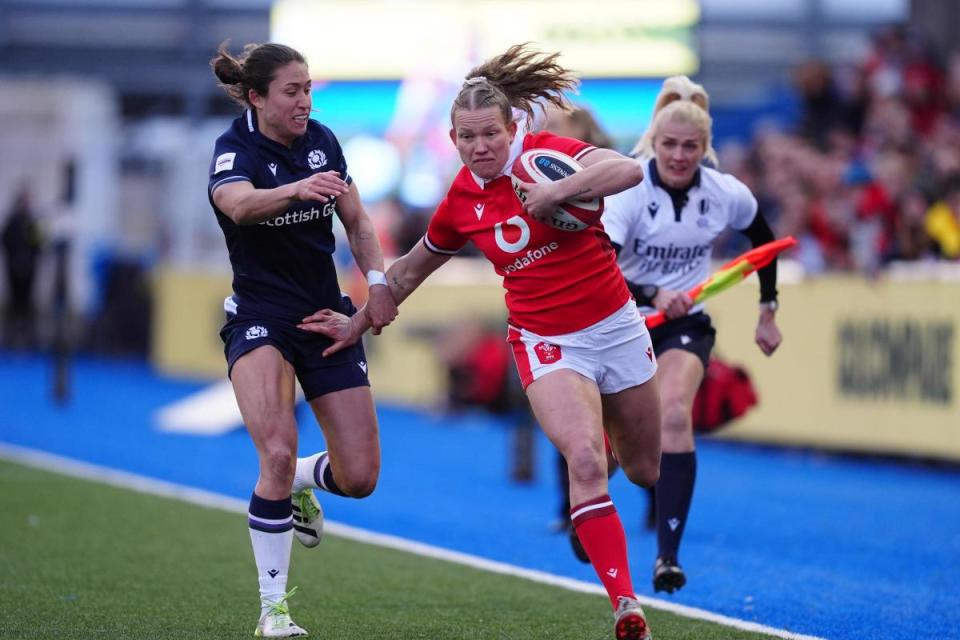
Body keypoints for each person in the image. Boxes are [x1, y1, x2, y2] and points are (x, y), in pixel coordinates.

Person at [299, 44, 660, 640]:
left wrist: (551, 197)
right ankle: (627, 607)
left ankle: (605, 457)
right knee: (586, 461)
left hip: (616, 326)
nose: (479, 147)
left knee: (645, 469)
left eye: (489, 134)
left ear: (513, 126)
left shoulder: (547, 157)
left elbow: (627, 171)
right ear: (452, 136)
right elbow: (410, 271)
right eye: (466, 137)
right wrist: (359, 318)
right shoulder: (462, 199)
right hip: (546, 341)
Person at [207, 41, 398, 638]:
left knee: (360, 476)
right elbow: (236, 206)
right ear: (258, 97)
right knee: (276, 450)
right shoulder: (233, 149)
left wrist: (376, 283)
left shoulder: (324, 140)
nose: (304, 101)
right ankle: (273, 613)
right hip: (260, 317)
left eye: (309, 88)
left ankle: (298, 481)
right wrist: (295, 190)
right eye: (292, 91)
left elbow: (359, 222)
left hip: (325, 317)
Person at [602, 75, 783, 594]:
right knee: (616, 438)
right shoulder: (630, 187)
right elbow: (603, 262)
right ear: (653, 144)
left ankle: (667, 557)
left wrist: (768, 310)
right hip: (623, 320)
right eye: (669, 145)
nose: (679, 156)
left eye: (690, 147)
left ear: (705, 149)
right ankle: (585, 511)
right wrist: (654, 292)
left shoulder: (724, 193)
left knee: (674, 411)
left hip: (685, 325)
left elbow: (764, 244)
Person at [1, 186, 42, 350]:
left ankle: (29, 340)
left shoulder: (34, 222)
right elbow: (4, 242)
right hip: (12, 268)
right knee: (13, 304)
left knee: (28, 304)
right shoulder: (11, 221)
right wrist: (15, 259)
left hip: (30, 269)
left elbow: (40, 244)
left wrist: (29, 260)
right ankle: (10, 339)